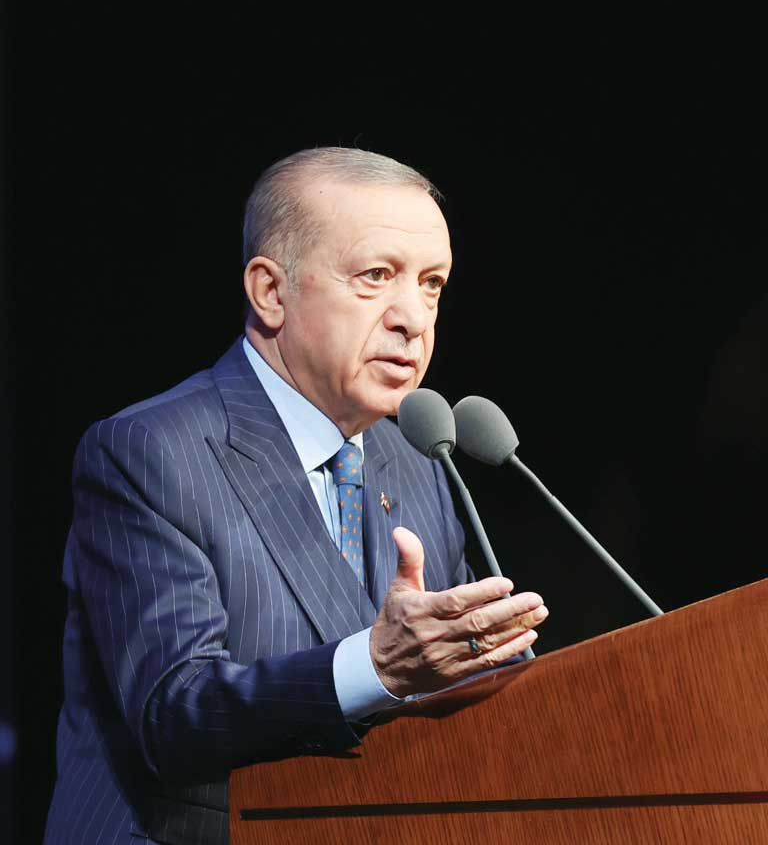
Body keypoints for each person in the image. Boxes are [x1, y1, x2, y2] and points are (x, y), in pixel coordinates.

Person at [44, 147, 550, 845]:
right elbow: (173, 715)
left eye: (432, 283)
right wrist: (374, 666)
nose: (414, 317)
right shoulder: (149, 452)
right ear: (270, 292)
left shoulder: (417, 459)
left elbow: (455, 680)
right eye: (376, 276)